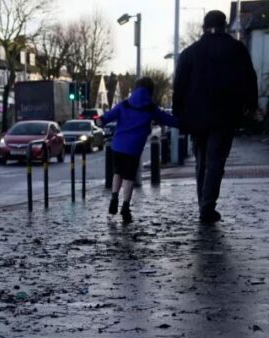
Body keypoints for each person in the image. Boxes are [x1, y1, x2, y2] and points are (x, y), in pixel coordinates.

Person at [173, 10, 259, 223]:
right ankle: (207, 206)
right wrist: (250, 105)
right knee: (216, 161)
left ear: (204, 26)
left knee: (201, 160)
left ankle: (203, 202)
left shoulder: (189, 53)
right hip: (225, 115)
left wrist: (179, 116)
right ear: (224, 24)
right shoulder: (236, 49)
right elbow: (249, 78)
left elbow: (179, 87)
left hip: (196, 117)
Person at [98, 77, 178, 223]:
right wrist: (184, 122)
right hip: (134, 149)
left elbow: (107, 117)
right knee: (129, 178)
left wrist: (101, 120)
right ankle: (125, 208)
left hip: (118, 145)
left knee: (118, 172)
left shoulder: (124, 104)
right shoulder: (151, 108)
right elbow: (167, 119)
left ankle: (114, 197)